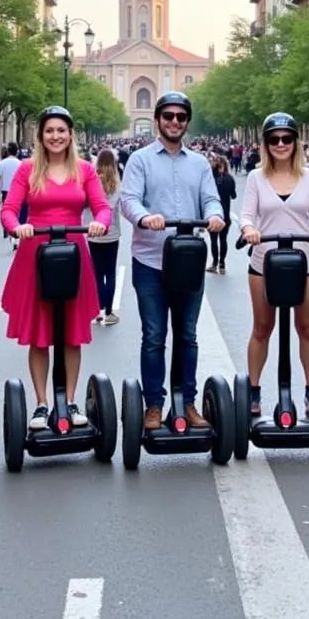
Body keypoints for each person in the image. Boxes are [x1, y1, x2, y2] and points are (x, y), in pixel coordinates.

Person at [0, 107, 111, 429]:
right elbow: (9, 210)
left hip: (73, 251)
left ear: (71, 134)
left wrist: (99, 225)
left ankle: (71, 401)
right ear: (41, 136)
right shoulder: (26, 170)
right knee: (40, 334)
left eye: (61, 130)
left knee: (70, 336)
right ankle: (41, 403)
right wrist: (17, 227)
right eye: (49, 131)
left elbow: (102, 208)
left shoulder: (85, 170)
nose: (56, 136)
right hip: (37, 252)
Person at [120, 92, 225, 431]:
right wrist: (145, 217)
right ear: (158, 120)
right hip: (150, 260)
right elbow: (129, 199)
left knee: (188, 335)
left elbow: (211, 199)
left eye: (181, 117)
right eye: (169, 116)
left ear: (187, 122)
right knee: (154, 335)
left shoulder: (199, 163)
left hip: (188, 260)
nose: (175, 122)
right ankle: (153, 404)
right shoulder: (140, 160)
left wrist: (214, 216)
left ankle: (187, 401)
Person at [238, 113, 309, 418]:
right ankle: (253, 390)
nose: (281, 144)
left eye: (286, 138)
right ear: (265, 143)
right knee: (262, 327)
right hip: (264, 260)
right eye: (274, 139)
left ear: (295, 142)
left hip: (305, 260)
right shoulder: (255, 177)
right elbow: (247, 215)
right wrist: (249, 229)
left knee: (306, 327)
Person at [87, 148, 122, 325]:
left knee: (97, 274)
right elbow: (113, 206)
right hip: (112, 233)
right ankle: (108, 312)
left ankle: (97, 310)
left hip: (93, 232)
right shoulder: (116, 183)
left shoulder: (92, 181)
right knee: (110, 273)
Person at [208, 155, 237, 274]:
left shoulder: (210, 179)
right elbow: (234, 196)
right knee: (223, 239)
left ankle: (214, 263)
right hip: (225, 213)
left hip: (213, 214)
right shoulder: (229, 178)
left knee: (213, 240)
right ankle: (222, 264)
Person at [0, 143, 22, 246]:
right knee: (17, 212)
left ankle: (7, 231)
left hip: (6, 191)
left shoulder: (2, 163)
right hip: (19, 191)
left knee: (6, 211)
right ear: (17, 151)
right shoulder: (20, 164)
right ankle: (15, 231)